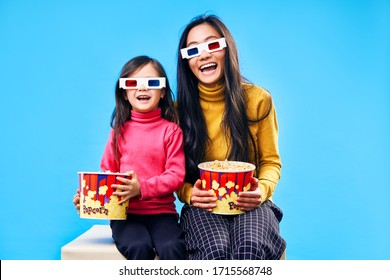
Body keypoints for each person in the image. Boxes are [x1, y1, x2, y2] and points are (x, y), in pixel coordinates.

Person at [175, 14, 287, 260]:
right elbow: (172, 172)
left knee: (250, 246)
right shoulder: (176, 111)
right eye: (192, 51)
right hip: (202, 207)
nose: (203, 55)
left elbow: (271, 162)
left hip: (251, 203)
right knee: (215, 250)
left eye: (212, 45)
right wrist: (188, 193)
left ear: (228, 49)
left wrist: (263, 190)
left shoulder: (258, 99)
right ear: (186, 62)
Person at [73, 55, 186, 260]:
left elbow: (176, 175)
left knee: (172, 247)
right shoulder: (118, 132)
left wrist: (141, 187)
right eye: (133, 83)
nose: (142, 89)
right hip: (125, 215)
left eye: (151, 83)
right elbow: (107, 175)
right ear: (124, 93)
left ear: (162, 92)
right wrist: (90, 198)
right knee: (138, 246)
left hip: (162, 215)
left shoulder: (171, 131)